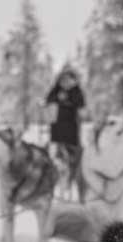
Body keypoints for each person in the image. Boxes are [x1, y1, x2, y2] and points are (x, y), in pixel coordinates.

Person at [45, 66, 85, 199]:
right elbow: (48, 100)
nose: (65, 82)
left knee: (73, 156)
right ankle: (56, 181)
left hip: (72, 129)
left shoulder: (76, 91)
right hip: (56, 128)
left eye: (68, 79)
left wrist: (68, 101)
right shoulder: (56, 90)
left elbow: (80, 104)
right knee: (57, 157)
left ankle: (73, 179)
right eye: (63, 79)